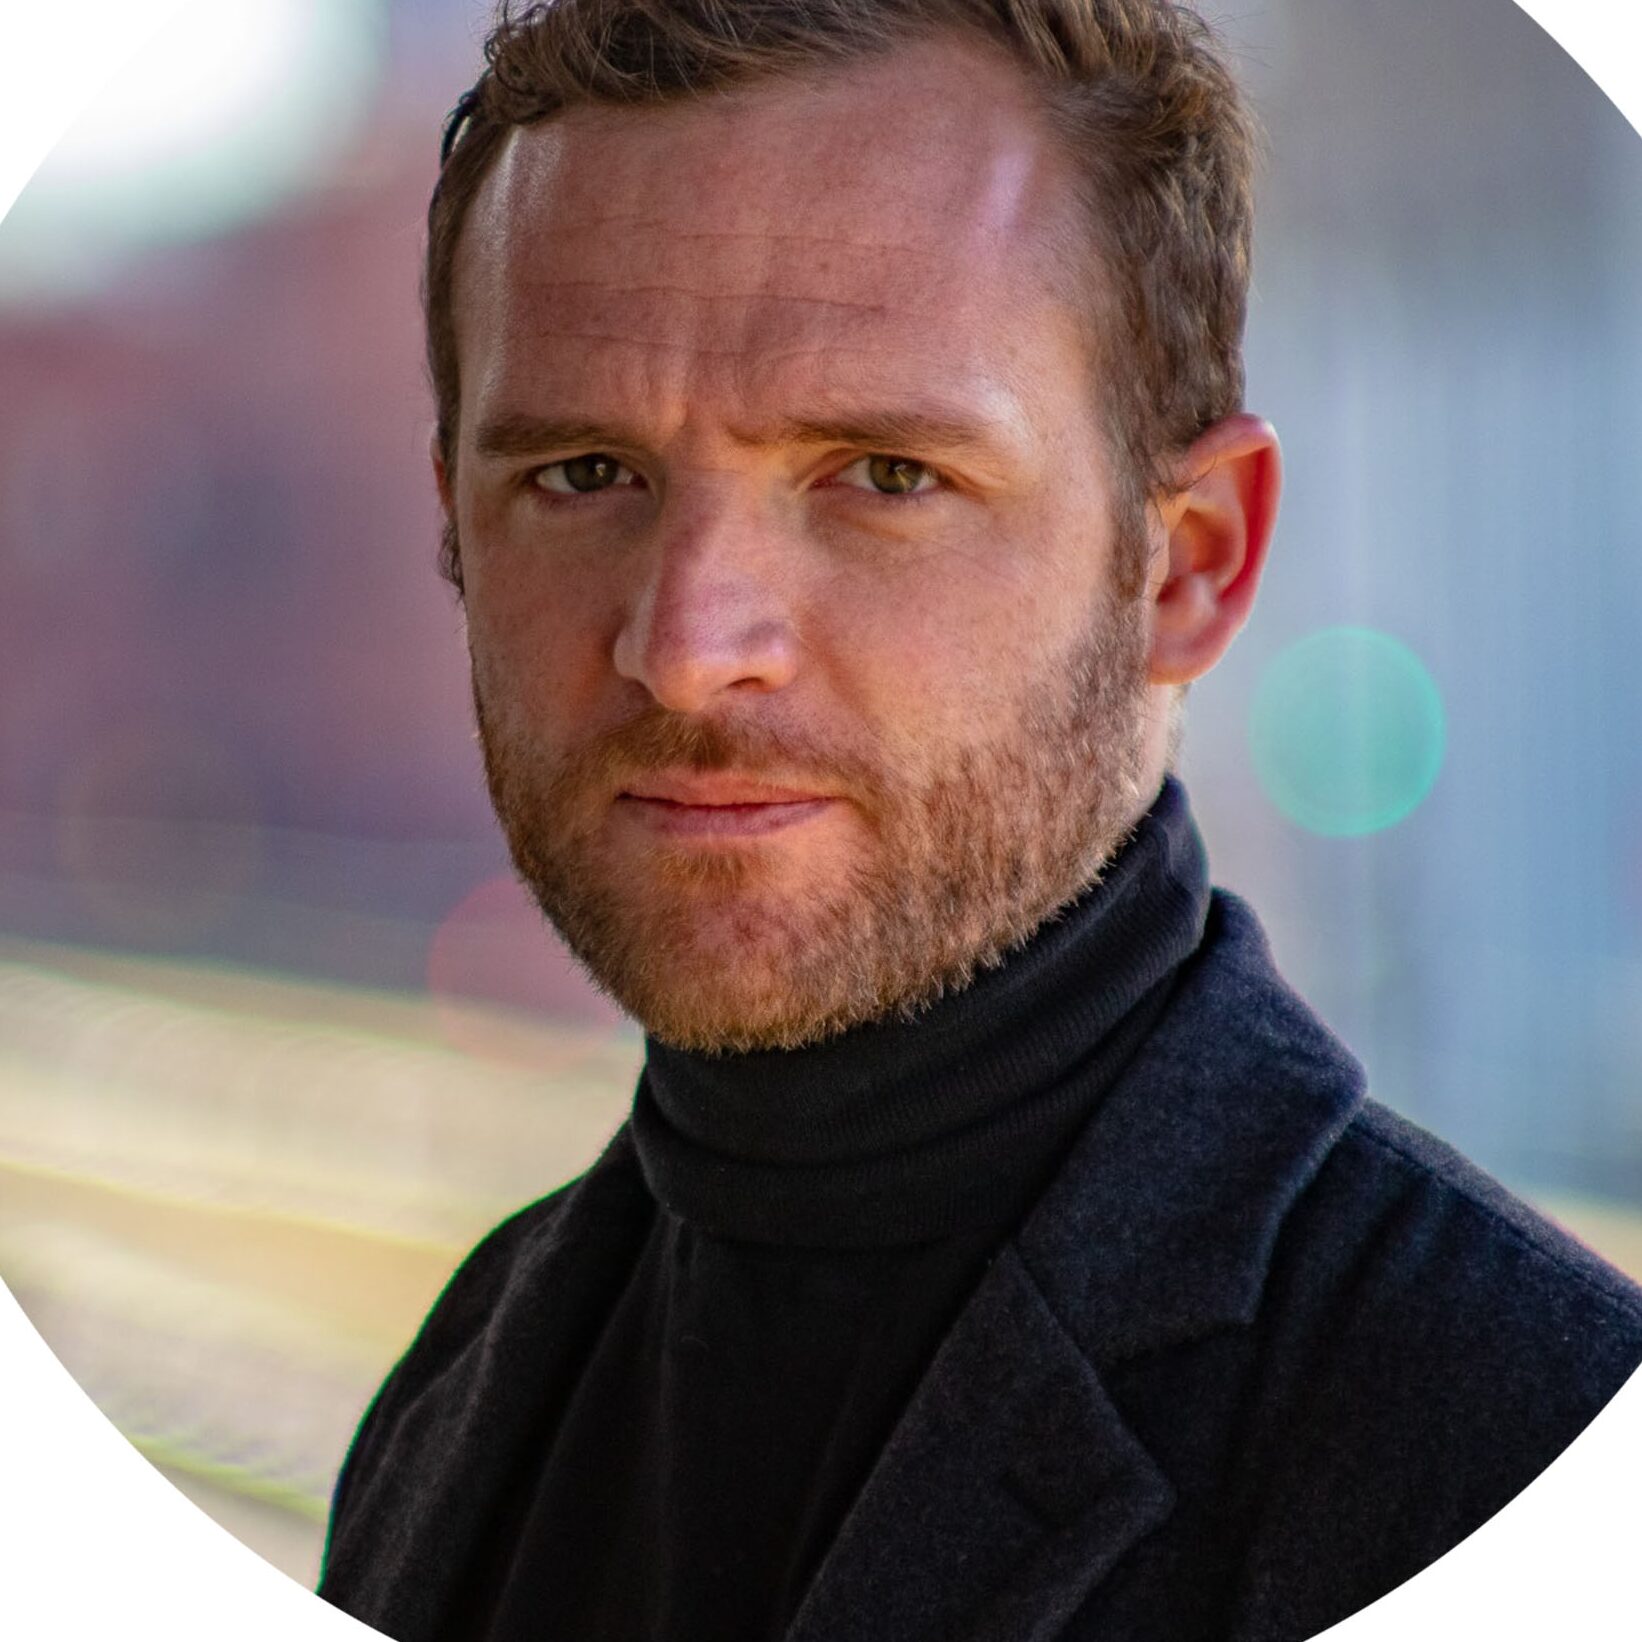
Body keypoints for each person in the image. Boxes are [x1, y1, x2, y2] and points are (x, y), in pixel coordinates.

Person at [317, 3, 1642, 1639]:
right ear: (455, 522)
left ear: (1187, 564)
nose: (687, 645)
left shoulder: (1525, 1454)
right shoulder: (455, 1384)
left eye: (882, 474)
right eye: (584, 473)